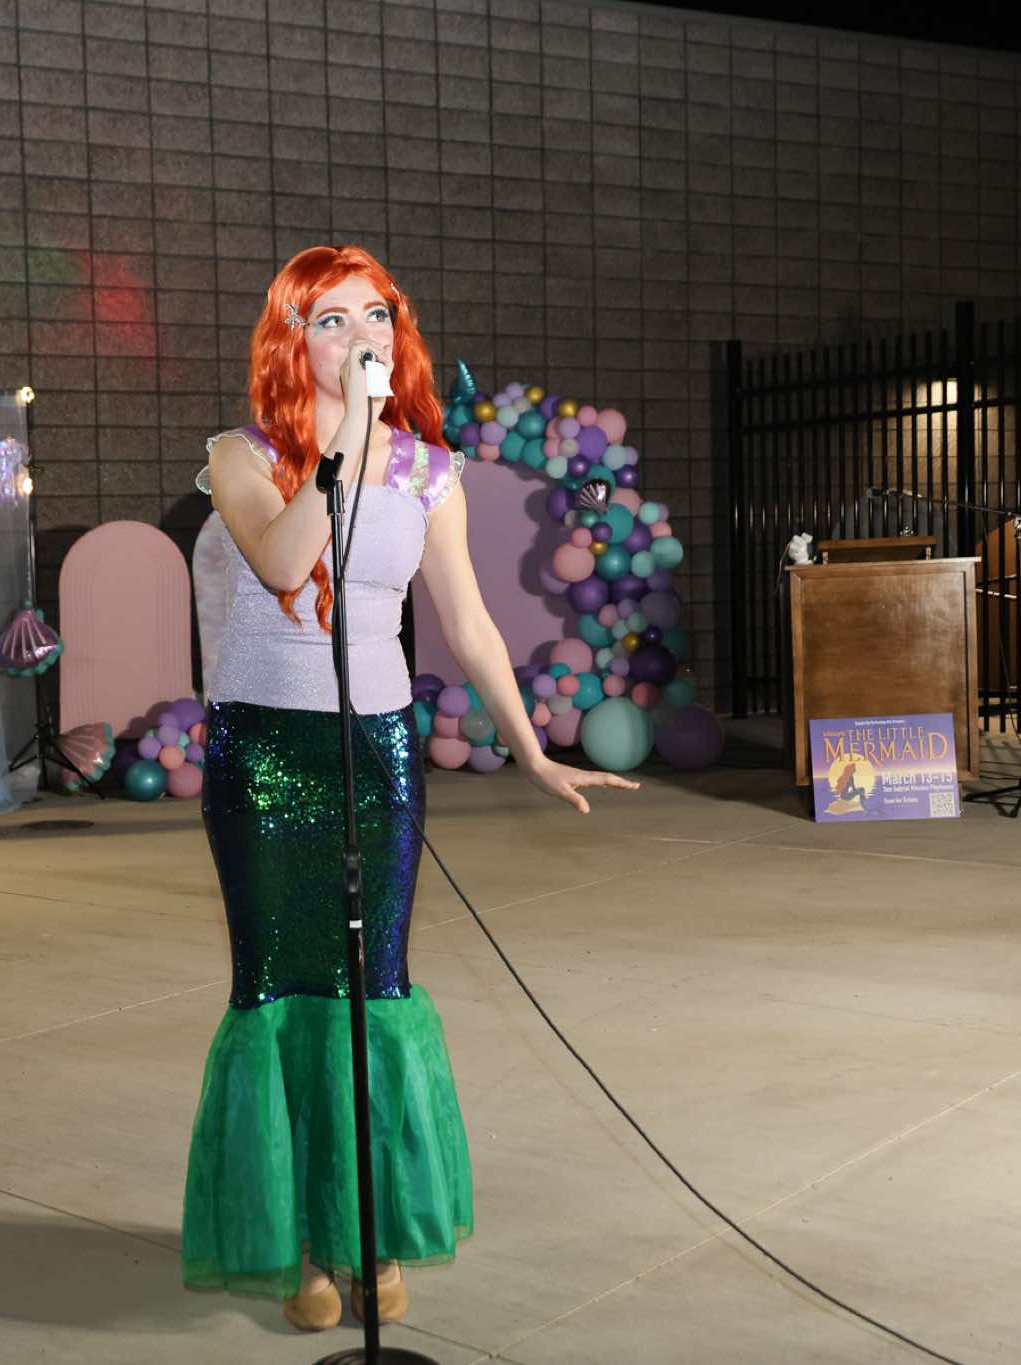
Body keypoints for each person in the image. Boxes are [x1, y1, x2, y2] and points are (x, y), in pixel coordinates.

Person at [182, 244, 640, 1332]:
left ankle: (367, 1227)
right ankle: (301, 1238)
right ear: (293, 341)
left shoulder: (432, 472)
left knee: (369, 991)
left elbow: (468, 622)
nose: (361, 336)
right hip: (262, 758)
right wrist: (346, 438)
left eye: (375, 316)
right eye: (331, 320)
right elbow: (285, 564)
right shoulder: (241, 457)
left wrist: (531, 749)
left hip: (374, 755)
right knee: (277, 992)